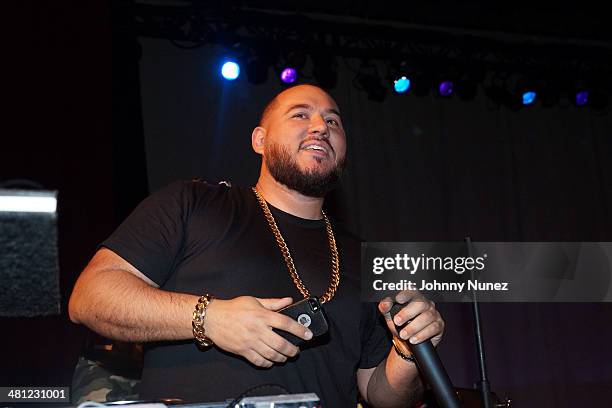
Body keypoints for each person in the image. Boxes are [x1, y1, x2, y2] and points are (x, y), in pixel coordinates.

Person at [69, 84, 445, 407]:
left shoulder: (367, 258)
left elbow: (379, 394)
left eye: (333, 121)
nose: (320, 127)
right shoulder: (194, 204)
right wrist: (209, 318)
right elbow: (90, 297)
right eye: (301, 115)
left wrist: (408, 350)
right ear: (260, 140)